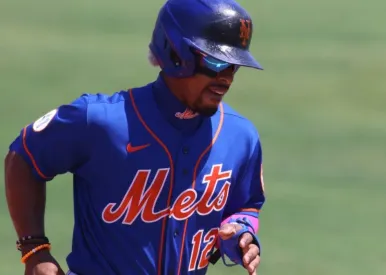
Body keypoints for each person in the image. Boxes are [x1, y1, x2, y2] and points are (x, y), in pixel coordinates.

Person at [4, 0, 266, 274]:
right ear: (177, 53)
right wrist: (34, 250)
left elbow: (246, 205)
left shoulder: (241, 137)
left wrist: (242, 232)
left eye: (234, 66)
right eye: (216, 61)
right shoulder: (99, 121)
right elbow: (23, 156)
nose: (227, 78)